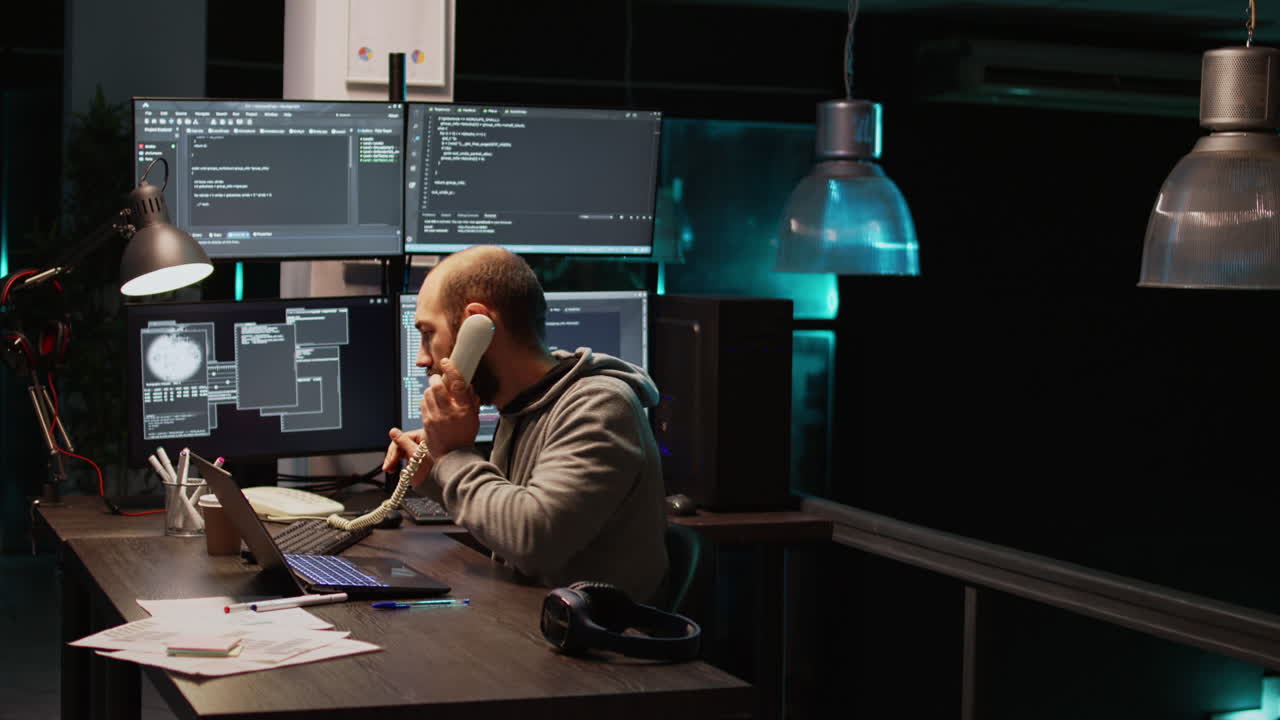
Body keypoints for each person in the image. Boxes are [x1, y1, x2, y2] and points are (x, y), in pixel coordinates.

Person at [382, 246, 669, 602]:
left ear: (478, 325)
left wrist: (455, 455)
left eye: (428, 333)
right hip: (533, 620)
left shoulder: (600, 405)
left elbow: (532, 538)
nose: (423, 358)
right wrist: (434, 469)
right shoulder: (523, 405)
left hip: (601, 642)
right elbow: (509, 516)